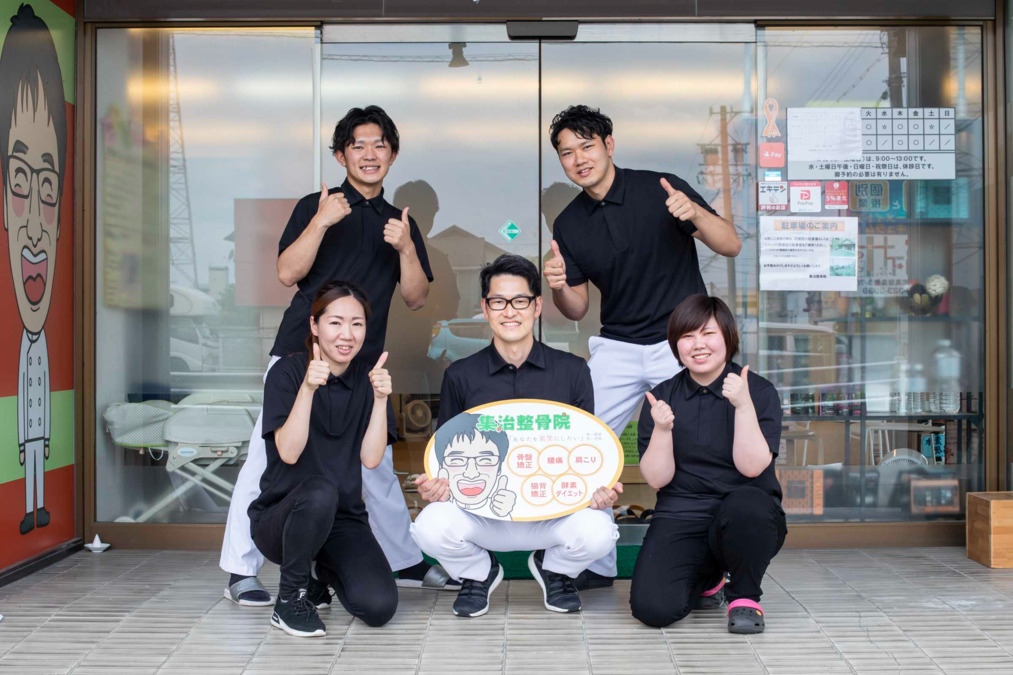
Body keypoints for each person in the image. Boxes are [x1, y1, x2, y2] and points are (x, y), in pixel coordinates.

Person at [222, 105, 457, 607]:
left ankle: (404, 561)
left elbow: (416, 297)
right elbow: (287, 272)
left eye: (379, 145)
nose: (369, 154)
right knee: (266, 457)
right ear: (340, 154)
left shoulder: (400, 223)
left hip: (364, 363)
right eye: (358, 145)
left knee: (375, 464)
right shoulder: (317, 204)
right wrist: (323, 222)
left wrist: (407, 250)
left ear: (392, 154)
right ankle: (240, 571)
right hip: (299, 354)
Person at [543, 104, 743, 582]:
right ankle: (596, 563)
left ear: (609, 145)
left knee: (703, 446)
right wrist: (557, 285)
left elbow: (731, 244)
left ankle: (714, 564)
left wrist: (693, 212)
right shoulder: (569, 224)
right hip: (617, 345)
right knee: (582, 447)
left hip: (681, 342)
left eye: (587, 147)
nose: (578, 159)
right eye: (567, 153)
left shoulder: (662, 188)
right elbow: (575, 308)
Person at [410, 254, 620, 618]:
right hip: (483, 515)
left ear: (537, 306)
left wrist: (600, 486)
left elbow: (587, 451)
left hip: (553, 512)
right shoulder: (460, 375)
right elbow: (447, 456)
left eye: (520, 300)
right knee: (429, 526)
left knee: (600, 531)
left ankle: (555, 569)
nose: (510, 311)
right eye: (498, 302)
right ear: (485, 308)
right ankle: (478, 573)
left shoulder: (572, 371)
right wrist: (436, 486)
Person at [630, 295, 786, 634]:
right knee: (652, 609)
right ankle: (708, 575)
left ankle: (744, 596)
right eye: (687, 337)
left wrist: (743, 407)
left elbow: (752, 468)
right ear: (675, 346)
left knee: (748, 506)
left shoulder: (758, 391)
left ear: (727, 337)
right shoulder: (662, 397)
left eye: (707, 333)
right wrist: (661, 429)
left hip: (745, 514)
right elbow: (657, 479)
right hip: (682, 513)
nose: (697, 345)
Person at [251, 281, 399, 636]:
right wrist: (308, 388)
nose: (346, 334)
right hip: (282, 519)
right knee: (319, 490)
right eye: (335, 322)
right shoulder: (287, 373)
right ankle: (289, 601)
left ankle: (320, 575)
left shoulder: (369, 379)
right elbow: (288, 451)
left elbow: (371, 459)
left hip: (342, 519)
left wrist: (380, 400)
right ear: (315, 327)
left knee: (378, 607)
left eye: (357, 323)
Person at [0, 4, 67, 536]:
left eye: (49, 190)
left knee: (41, 444)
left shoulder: (42, 346)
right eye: (20, 184)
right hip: (32, 433)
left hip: (42, 432)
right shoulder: (27, 349)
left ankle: (41, 506)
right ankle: (34, 506)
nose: (36, 225)